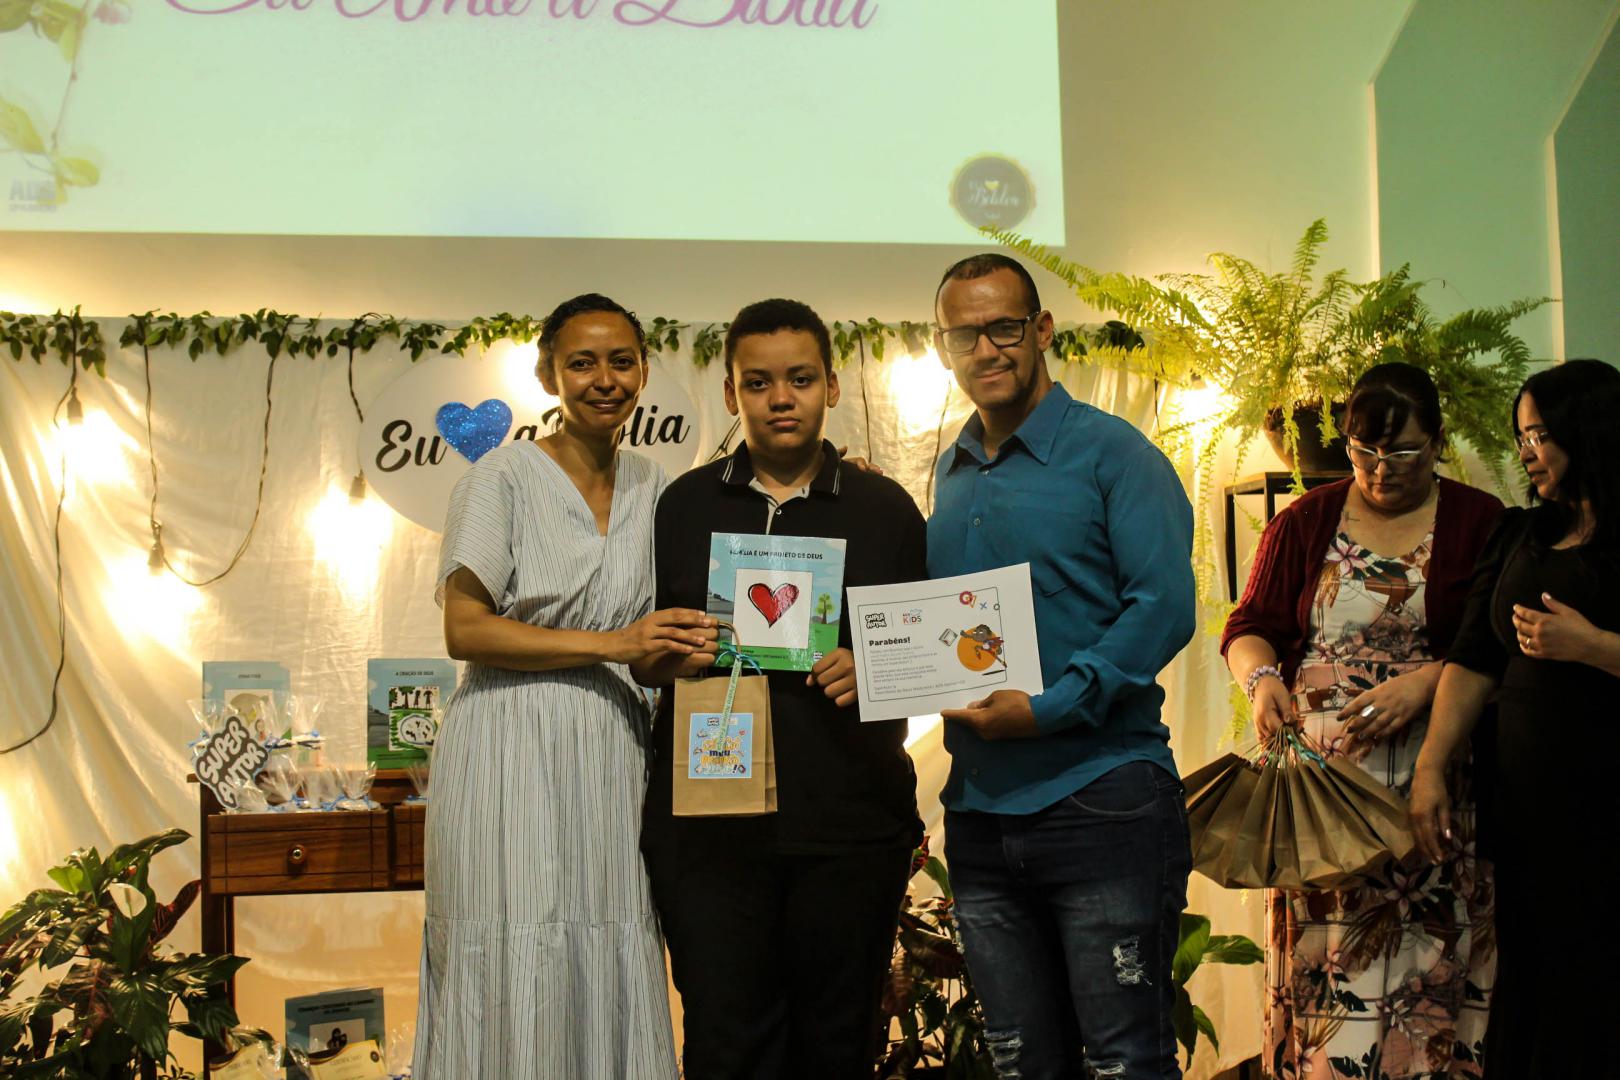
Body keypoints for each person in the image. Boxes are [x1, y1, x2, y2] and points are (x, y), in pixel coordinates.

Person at [415, 294, 715, 1080]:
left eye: (621, 361)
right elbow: (465, 629)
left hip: (612, 747)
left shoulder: (657, 487)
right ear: (548, 374)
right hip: (505, 742)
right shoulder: (501, 477)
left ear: (643, 372)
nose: (603, 380)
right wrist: (613, 643)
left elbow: (648, 649)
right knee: (509, 935)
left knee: (608, 931)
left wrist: (679, 650)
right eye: (582, 363)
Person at [634, 298, 925, 1080]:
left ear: (832, 385)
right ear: (731, 393)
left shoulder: (885, 509)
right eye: (758, 383)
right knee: (726, 1041)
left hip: (850, 825)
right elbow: (641, 653)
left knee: (837, 1042)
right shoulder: (683, 505)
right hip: (710, 832)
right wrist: (665, 653)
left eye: (800, 378)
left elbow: (937, 653)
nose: (780, 398)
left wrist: (876, 667)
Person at [926, 253, 1196, 1080]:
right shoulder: (950, 468)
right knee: (1020, 1066)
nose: (986, 349)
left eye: (1004, 327)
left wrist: (1048, 708)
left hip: (1102, 801)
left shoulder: (1116, 454)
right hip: (980, 815)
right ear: (944, 347)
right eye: (964, 335)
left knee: (1126, 1064)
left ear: (1042, 330)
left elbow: (1163, 608)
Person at [1221, 362, 1503, 1078]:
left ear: (1438, 441)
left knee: (1427, 972)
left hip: (1432, 782)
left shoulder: (1480, 522)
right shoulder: (1304, 521)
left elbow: (1498, 644)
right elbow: (1249, 627)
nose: (1380, 469)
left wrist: (1427, 682)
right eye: (1363, 451)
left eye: (1402, 451)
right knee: (1329, 976)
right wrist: (1261, 681)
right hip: (1324, 800)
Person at [1410, 359, 1620, 1078]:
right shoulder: (1520, 533)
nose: (1526, 451)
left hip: (1609, 815)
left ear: (1587, 431)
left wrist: (1595, 647)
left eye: (1539, 435)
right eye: (1521, 437)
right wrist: (1432, 766)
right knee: (1534, 985)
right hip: (1530, 811)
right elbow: (1474, 659)